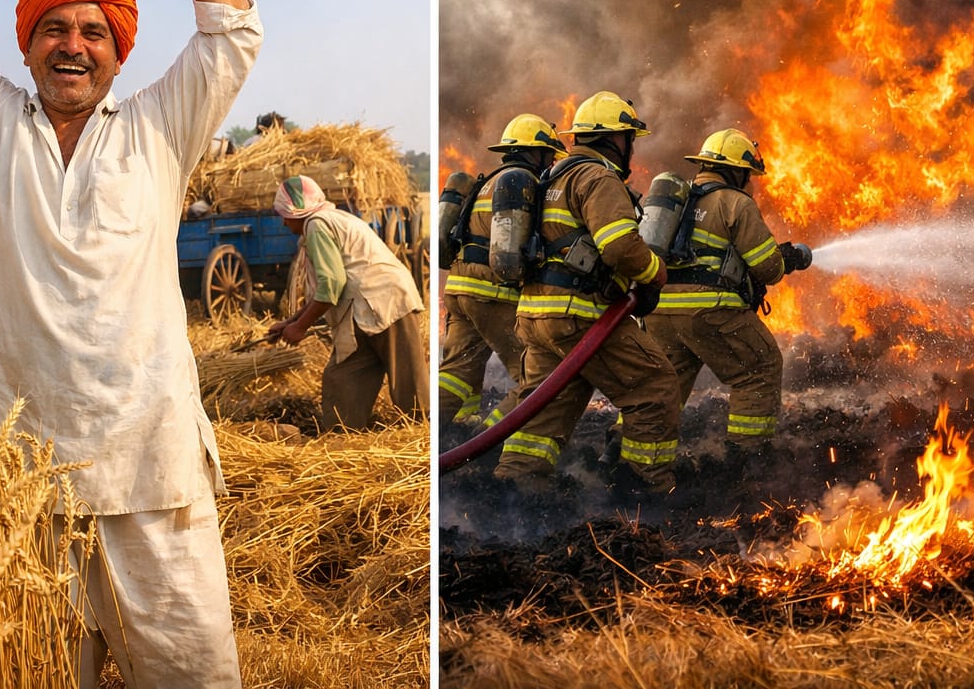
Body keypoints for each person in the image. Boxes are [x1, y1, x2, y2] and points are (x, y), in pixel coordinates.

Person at [0, 0, 259, 689]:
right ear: (26, 44)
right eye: (55, 29)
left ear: (119, 49)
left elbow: (233, 32)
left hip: (150, 468)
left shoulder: (159, 127)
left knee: (192, 674)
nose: (74, 46)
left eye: (94, 31)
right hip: (13, 466)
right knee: (30, 672)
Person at [491, 91, 679, 497]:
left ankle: (513, 488)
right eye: (629, 138)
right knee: (655, 386)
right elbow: (620, 247)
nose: (632, 148)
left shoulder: (551, 177)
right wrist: (654, 273)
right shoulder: (597, 177)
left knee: (547, 406)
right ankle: (645, 487)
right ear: (615, 139)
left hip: (537, 315)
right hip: (579, 315)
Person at [642, 128, 812, 501]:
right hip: (709, 310)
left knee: (662, 389)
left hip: (659, 310)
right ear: (736, 171)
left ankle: (635, 470)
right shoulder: (735, 203)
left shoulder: (676, 201)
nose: (749, 182)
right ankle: (747, 464)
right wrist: (788, 258)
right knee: (759, 367)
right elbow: (767, 267)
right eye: (747, 174)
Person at [267, 174, 427, 431]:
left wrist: (300, 327)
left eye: (285, 215)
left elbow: (332, 284)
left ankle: (426, 435)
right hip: (363, 313)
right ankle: (341, 436)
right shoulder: (330, 220)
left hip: (387, 304)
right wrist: (290, 322)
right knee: (342, 379)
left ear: (299, 212)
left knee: (409, 388)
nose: (284, 222)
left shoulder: (317, 225)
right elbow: (324, 289)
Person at [436, 113, 564, 431]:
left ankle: (437, 433)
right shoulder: (523, 184)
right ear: (537, 153)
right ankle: (489, 438)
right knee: (536, 377)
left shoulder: (485, 183)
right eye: (549, 155)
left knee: (455, 372)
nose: (551, 162)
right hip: (494, 293)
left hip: (459, 289)